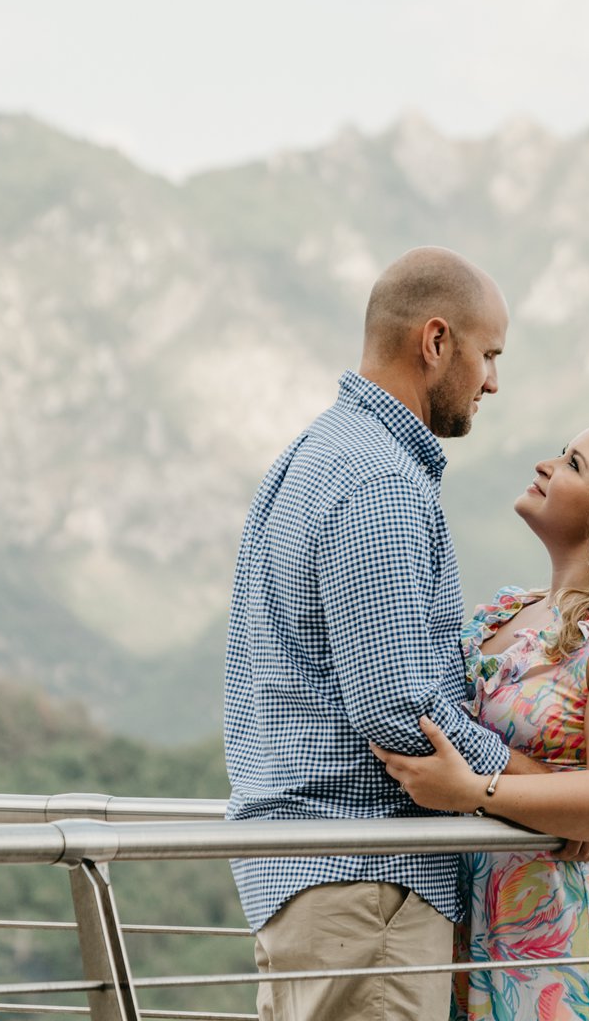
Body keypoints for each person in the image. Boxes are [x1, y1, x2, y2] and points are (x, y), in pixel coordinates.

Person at [222, 246, 552, 1021]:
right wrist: (532, 788)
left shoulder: (315, 455)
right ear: (436, 342)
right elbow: (398, 708)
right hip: (369, 885)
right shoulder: (378, 481)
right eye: (488, 355)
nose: (493, 382)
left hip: (318, 881)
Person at [373, 416, 589, 1021]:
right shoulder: (506, 613)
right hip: (469, 924)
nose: (546, 465)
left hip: (569, 936)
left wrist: (474, 792)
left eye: (574, 464)